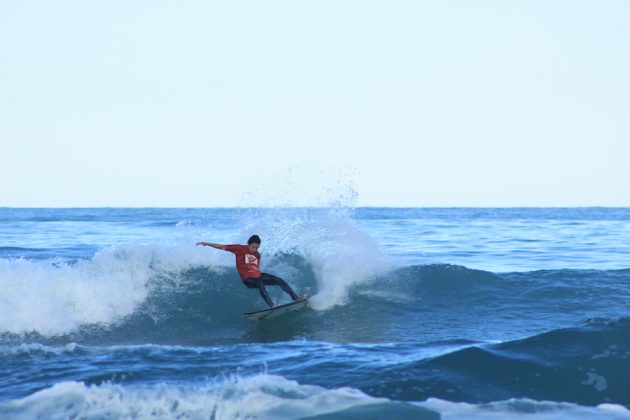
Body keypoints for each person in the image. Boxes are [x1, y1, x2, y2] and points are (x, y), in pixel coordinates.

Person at [196, 235, 305, 308]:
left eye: (257, 248)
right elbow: (222, 246)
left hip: (258, 276)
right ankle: (272, 306)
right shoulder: (239, 248)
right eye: (253, 247)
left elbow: (255, 268)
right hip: (247, 280)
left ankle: (295, 297)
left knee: (279, 280)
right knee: (260, 283)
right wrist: (207, 243)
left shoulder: (257, 254)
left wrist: (259, 274)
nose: (255, 250)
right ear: (248, 244)